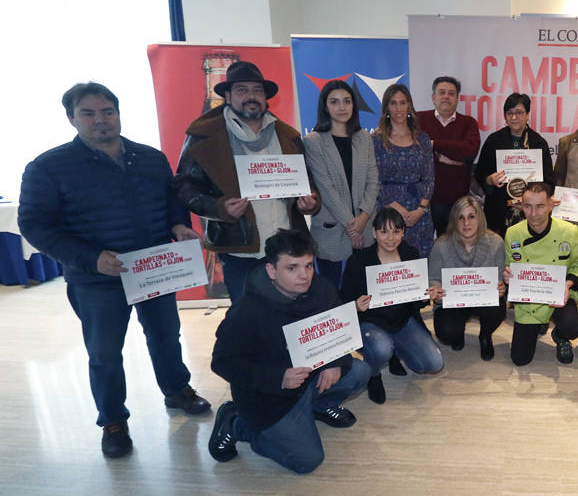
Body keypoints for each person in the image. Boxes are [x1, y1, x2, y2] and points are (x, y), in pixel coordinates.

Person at [20, 82, 211, 458]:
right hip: (97, 279)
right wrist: (91, 259)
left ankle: (177, 390)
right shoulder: (48, 167)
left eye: (107, 111)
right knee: (105, 353)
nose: (100, 120)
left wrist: (178, 225)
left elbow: (172, 201)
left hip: (155, 269)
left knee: (165, 336)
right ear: (71, 118)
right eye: (88, 113)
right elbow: (35, 225)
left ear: (118, 113)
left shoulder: (150, 158)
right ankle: (112, 420)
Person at [208, 230, 370, 474]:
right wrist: (278, 377)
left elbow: (337, 331)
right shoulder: (247, 311)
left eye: (308, 265)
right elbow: (222, 362)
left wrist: (335, 360)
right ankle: (237, 423)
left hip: (310, 377)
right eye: (292, 268)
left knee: (360, 371)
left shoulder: (322, 288)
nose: (304, 276)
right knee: (307, 461)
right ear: (272, 271)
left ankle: (318, 405)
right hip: (269, 397)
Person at [174, 61, 319, 301]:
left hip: (286, 249)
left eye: (257, 90)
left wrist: (311, 202)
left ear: (265, 97)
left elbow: (307, 181)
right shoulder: (204, 136)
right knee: (246, 319)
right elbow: (184, 186)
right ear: (228, 96)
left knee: (289, 317)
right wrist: (218, 208)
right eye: (242, 90)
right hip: (238, 249)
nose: (251, 96)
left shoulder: (287, 135)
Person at [341, 207, 444, 404]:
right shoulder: (359, 260)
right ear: (373, 232)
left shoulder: (411, 254)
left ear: (403, 232)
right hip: (370, 322)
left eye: (396, 231)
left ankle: (394, 352)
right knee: (380, 348)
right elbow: (343, 299)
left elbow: (415, 300)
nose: (390, 238)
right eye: (384, 231)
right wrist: (355, 306)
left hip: (401, 321)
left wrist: (427, 293)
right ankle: (373, 374)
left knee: (433, 362)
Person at [303, 80, 380, 288]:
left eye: (347, 101)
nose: (342, 107)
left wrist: (363, 218)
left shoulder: (364, 138)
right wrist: (351, 225)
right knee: (331, 292)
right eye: (334, 102)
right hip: (331, 229)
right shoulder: (314, 140)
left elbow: (373, 180)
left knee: (362, 290)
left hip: (365, 227)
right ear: (325, 106)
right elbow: (325, 187)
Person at [503, 182, 578, 366]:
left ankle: (560, 336)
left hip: (559, 296)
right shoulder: (512, 233)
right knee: (520, 359)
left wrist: (567, 285)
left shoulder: (569, 231)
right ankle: (539, 324)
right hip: (529, 301)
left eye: (540, 206)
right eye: (528, 206)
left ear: (551, 205)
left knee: (573, 327)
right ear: (521, 206)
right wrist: (508, 277)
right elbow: (510, 265)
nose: (533, 213)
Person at [429, 196, 506, 360]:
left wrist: (501, 287)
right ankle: (457, 334)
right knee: (446, 333)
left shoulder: (496, 243)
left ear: (480, 217)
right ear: (454, 220)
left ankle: (485, 336)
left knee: (497, 309)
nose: (466, 223)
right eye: (461, 217)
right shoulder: (441, 245)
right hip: (452, 302)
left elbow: (499, 278)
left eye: (471, 216)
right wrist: (436, 290)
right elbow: (434, 278)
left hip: (483, 301)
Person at [475, 93, 554, 237]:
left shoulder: (538, 143)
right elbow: (480, 172)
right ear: (505, 116)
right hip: (499, 210)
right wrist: (490, 180)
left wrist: (530, 200)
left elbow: (549, 180)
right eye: (509, 113)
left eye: (519, 113)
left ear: (527, 115)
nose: (513, 117)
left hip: (531, 212)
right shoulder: (494, 140)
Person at [372, 84, 436, 258]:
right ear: (386, 108)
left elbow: (429, 178)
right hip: (389, 215)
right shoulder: (376, 140)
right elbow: (372, 181)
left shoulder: (422, 138)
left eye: (403, 102)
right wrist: (394, 207)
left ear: (409, 106)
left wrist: (421, 209)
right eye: (393, 103)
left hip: (420, 215)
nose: (398, 108)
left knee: (420, 264)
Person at [416, 76, 481, 235]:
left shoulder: (468, 123)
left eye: (451, 93)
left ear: (457, 98)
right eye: (442, 92)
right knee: (424, 250)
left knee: (454, 248)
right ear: (433, 97)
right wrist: (453, 159)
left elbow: (469, 151)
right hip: (424, 201)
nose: (446, 96)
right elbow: (415, 154)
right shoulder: (418, 119)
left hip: (457, 202)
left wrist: (433, 144)